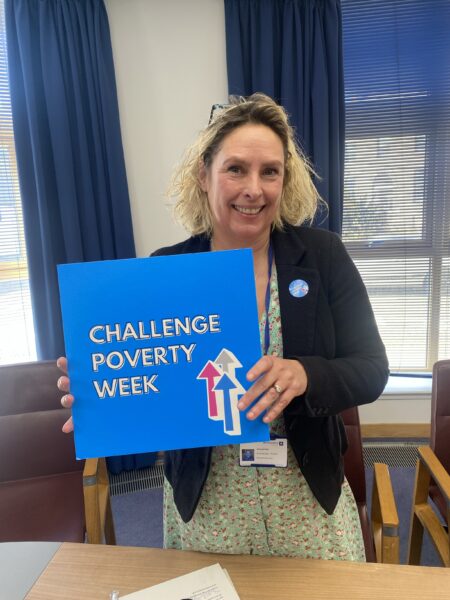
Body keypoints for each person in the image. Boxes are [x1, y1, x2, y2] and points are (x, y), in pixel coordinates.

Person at [58, 93, 389, 561]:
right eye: (236, 169)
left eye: (269, 171)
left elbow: (372, 368)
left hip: (306, 502)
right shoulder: (166, 270)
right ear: (204, 175)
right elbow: (144, 370)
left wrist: (306, 374)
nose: (253, 188)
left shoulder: (322, 256)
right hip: (210, 508)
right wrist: (100, 393)